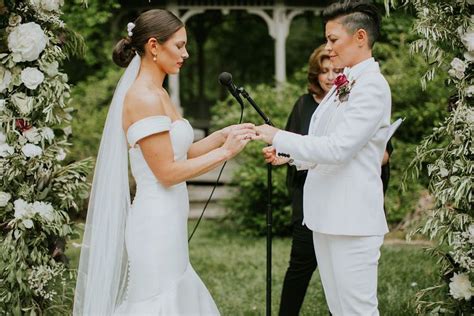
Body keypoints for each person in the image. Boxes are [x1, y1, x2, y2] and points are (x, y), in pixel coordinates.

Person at [73, 9, 256, 315]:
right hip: (154, 224)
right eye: (179, 45)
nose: (186, 53)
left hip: (169, 221)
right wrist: (226, 153)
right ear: (155, 46)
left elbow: (181, 152)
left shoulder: (158, 92)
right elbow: (167, 173)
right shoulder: (143, 97)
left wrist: (223, 135)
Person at [255, 1, 391, 315]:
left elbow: (339, 149)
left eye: (333, 39)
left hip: (351, 221)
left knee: (357, 310)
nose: (327, 48)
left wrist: (276, 135)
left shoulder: (371, 86)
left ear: (360, 37)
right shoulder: (341, 84)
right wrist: (289, 156)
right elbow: (320, 142)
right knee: (338, 308)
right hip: (325, 217)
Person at [279, 45, 342, 316]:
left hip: (339, 197)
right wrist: (282, 155)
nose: (328, 76)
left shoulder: (347, 105)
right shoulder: (303, 105)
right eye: (323, 71)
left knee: (339, 270)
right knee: (300, 264)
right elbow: (289, 144)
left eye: (334, 70)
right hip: (306, 197)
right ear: (315, 74)